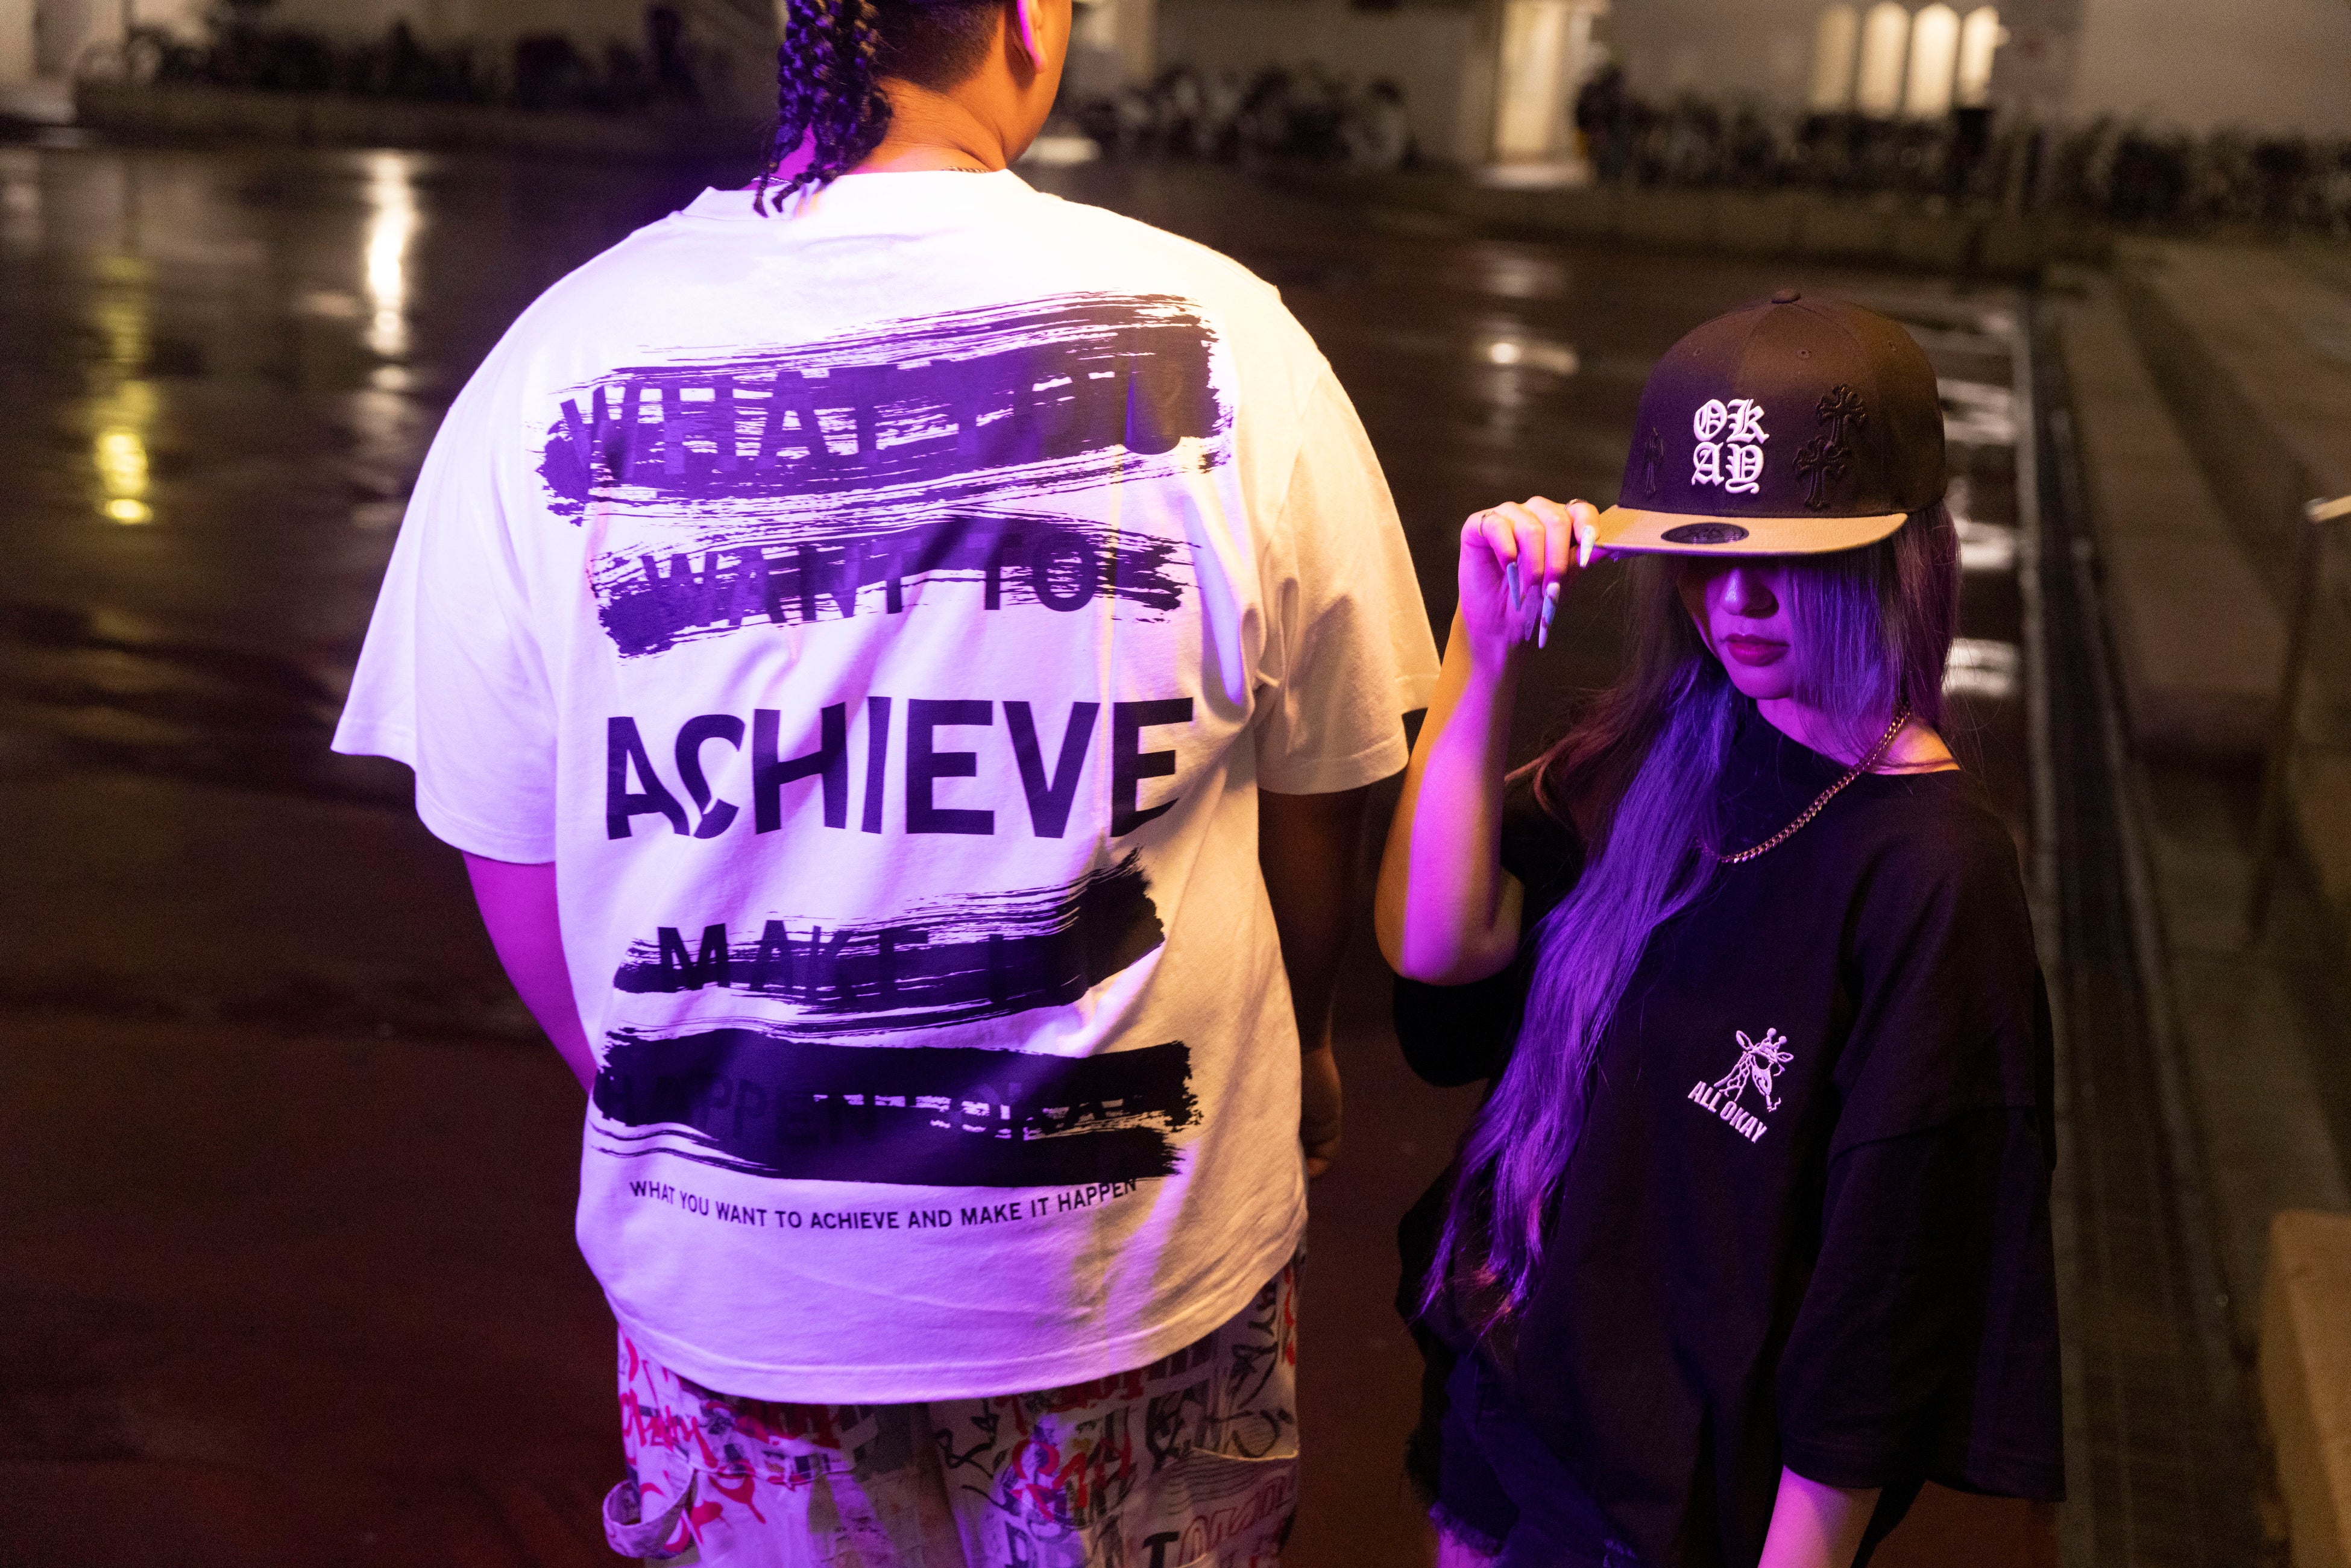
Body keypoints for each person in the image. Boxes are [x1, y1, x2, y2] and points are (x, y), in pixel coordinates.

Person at [329, 0, 1439, 1557]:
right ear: (1027, 19)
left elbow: (513, 844)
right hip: (1129, 1277)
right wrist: (1302, 1040)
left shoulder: (564, 355)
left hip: (742, 1306)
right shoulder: (1225, 340)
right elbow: (1328, 785)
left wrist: (684, 1108)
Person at [1374, 292, 2062, 1568]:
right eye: (1699, 551)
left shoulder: (1934, 873)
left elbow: (1883, 1297)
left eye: (1788, 556)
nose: (1735, 597)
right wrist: (1485, 643)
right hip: (1504, 1432)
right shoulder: (1666, 746)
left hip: (1685, 1520)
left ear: (1897, 555)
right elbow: (1438, 945)